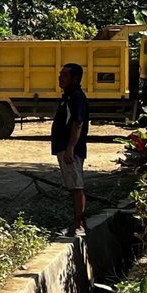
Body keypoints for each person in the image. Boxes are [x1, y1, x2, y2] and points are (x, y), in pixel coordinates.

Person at [52, 62, 90, 235]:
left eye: (65, 75)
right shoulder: (67, 96)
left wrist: (70, 148)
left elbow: (78, 123)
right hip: (64, 147)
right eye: (61, 74)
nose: (61, 77)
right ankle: (76, 223)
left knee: (76, 186)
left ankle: (79, 225)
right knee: (72, 186)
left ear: (75, 78)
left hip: (71, 149)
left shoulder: (76, 97)